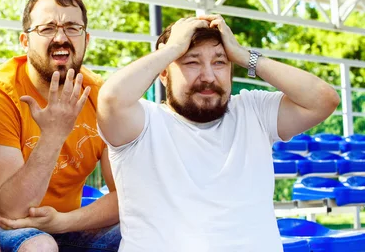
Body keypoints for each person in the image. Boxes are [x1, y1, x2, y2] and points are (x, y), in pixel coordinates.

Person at [96, 15, 340, 252]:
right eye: (191, 62)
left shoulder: (253, 111)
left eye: (220, 62)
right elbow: (110, 99)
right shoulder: (142, 124)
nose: (208, 77)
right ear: (163, 72)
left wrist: (246, 56)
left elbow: (323, 100)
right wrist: (173, 48)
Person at [0, 0, 121, 251]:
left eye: (72, 27)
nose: (61, 37)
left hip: (66, 225)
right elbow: (14, 209)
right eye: (47, 28)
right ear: (25, 41)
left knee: (145, 229)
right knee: (40, 245)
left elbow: (127, 197)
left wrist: (64, 222)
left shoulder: (99, 95)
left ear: (86, 39)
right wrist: (53, 134)